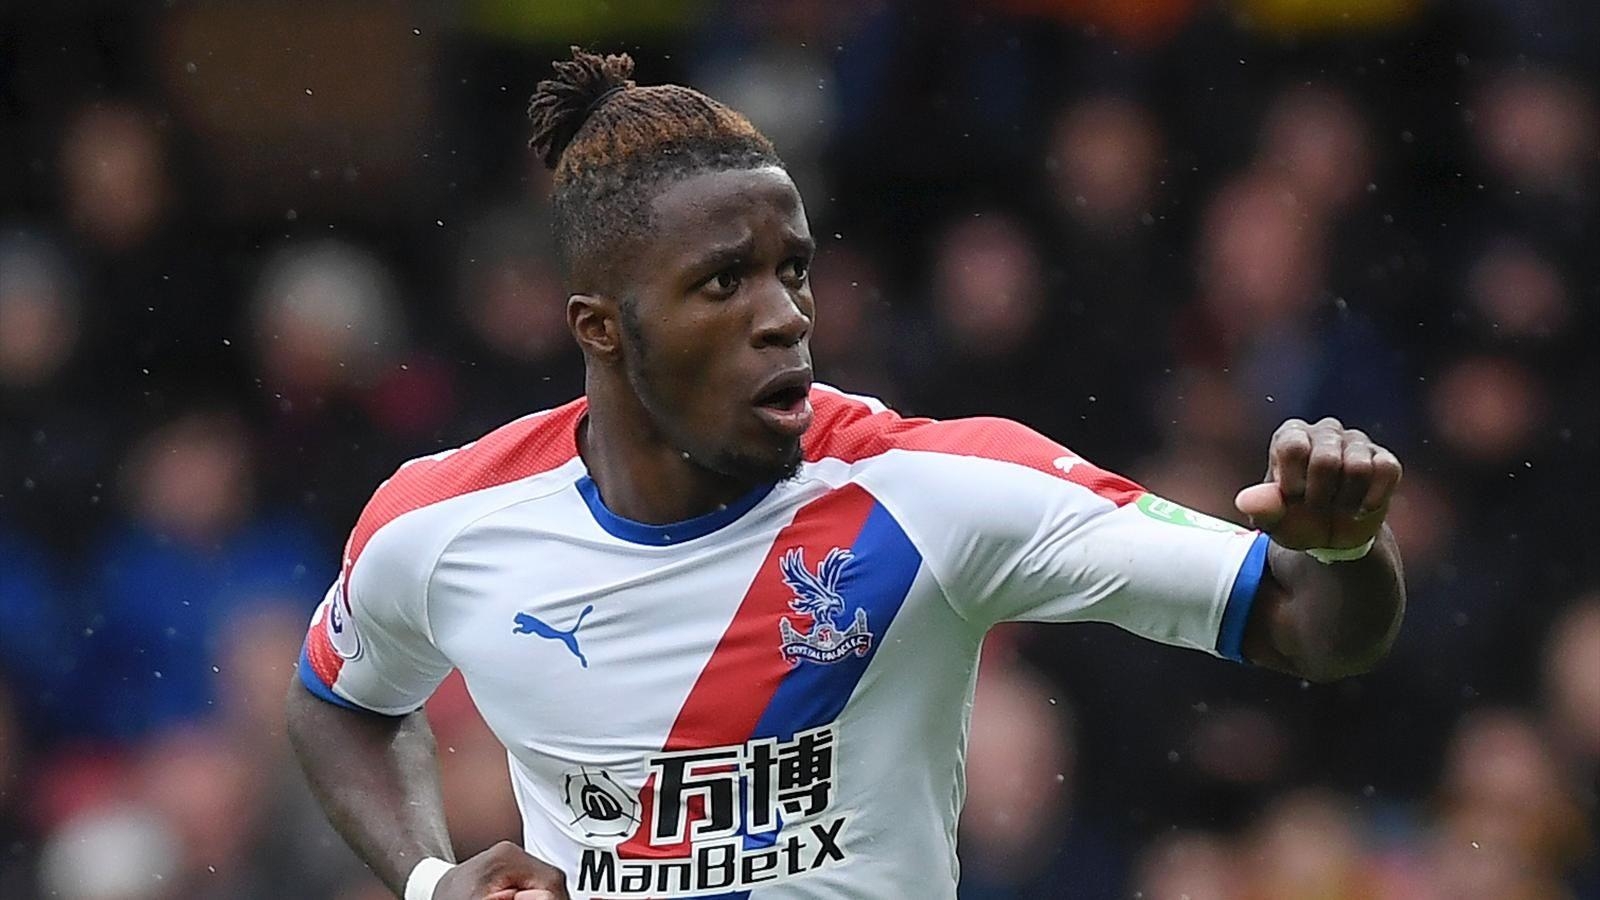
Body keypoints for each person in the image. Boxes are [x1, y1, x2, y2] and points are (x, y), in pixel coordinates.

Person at [285, 49, 1406, 900]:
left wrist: (1347, 542)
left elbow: (1313, 626)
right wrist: (432, 881)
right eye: (724, 284)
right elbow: (336, 705)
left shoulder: (938, 493)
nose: (786, 318)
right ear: (603, 327)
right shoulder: (440, 522)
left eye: (794, 270)